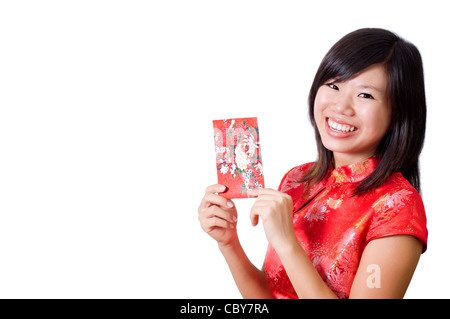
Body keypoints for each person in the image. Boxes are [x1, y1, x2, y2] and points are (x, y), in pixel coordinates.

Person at [197, 28, 427, 299]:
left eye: (365, 95)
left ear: (399, 113)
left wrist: (286, 243)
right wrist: (229, 243)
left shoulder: (397, 206)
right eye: (333, 85)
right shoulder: (297, 180)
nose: (341, 107)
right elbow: (273, 295)